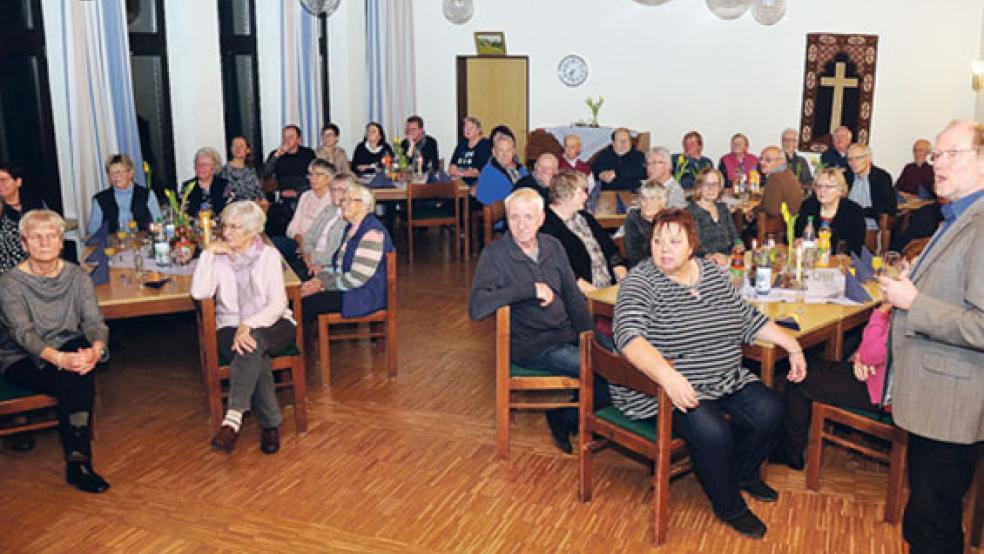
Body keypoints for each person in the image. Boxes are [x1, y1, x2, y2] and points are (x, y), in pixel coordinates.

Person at [613, 208, 806, 539]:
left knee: (771, 410)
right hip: (670, 386)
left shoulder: (712, 274)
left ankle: (741, 474)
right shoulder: (641, 282)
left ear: (692, 245)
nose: (664, 248)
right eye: (658, 241)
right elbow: (629, 337)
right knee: (714, 433)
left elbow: (745, 317)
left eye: (674, 241)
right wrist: (668, 376)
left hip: (724, 377)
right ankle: (728, 503)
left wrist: (792, 345)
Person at [877, 120, 984, 554]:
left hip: (952, 404)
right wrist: (915, 280)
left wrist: (913, 301)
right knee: (922, 515)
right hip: (931, 396)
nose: (938, 164)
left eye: (950, 155)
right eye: (937, 155)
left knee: (935, 521)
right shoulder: (956, 214)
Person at [468, 188, 593, 454]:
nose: (521, 225)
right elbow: (477, 308)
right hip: (535, 345)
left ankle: (567, 416)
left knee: (623, 359)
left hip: (568, 333)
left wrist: (588, 336)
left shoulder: (552, 245)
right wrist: (529, 288)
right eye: (514, 218)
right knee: (607, 370)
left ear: (541, 219)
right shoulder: (495, 255)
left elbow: (572, 295)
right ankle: (574, 419)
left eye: (528, 217)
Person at [0, 209, 110, 493]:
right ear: (24, 244)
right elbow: (22, 334)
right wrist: (61, 359)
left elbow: (94, 322)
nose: (44, 243)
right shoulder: (10, 283)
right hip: (22, 357)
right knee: (74, 376)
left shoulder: (78, 277)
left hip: (68, 347)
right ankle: (79, 462)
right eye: (36, 238)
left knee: (79, 364)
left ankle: (78, 461)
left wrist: (96, 350)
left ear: (62, 242)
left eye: (51, 236)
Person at [190, 201, 297, 455]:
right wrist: (207, 254)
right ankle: (270, 425)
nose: (226, 233)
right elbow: (199, 292)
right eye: (225, 226)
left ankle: (233, 418)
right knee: (252, 349)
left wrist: (248, 324)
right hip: (230, 324)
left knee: (253, 341)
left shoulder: (269, 255)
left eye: (235, 227)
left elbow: (278, 303)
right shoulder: (218, 257)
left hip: (274, 322)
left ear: (252, 231)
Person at [774, 304, 891, 471]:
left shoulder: (907, 313)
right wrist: (861, 358)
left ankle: (790, 452)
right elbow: (874, 350)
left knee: (799, 380)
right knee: (809, 365)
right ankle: (789, 441)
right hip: (877, 376)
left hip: (881, 392)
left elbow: (873, 350)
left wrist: (882, 310)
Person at [299, 182, 394, 323]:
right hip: (349, 288)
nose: (343, 204)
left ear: (366, 206)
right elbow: (337, 265)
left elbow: (357, 279)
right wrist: (319, 280)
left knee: (306, 303)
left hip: (364, 296)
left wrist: (323, 286)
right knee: (299, 294)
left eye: (351, 200)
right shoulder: (351, 228)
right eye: (344, 200)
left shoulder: (372, 233)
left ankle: (299, 343)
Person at [539, 171, 627, 295]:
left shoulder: (585, 217)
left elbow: (608, 246)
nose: (586, 197)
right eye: (581, 192)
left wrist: (618, 267)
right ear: (566, 195)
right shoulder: (547, 227)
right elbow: (563, 272)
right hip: (580, 294)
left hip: (607, 284)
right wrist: (597, 295)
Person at [273, 159, 338, 279]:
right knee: (273, 245)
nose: (312, 178)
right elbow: (292, 227)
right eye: (311, 174)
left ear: (329, 178)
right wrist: (300, 241)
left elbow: (325, 234)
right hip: (298, 241)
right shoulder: (306, 195)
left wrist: (306, 248)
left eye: (318, 175)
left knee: (299, 270)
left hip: (316, 247)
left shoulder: (332, 200)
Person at [793, 168, 866, 255]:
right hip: (810, 259)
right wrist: (797, 241)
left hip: (840, 263)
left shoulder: (854, 211)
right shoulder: (808, 206)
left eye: (828, 187)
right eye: (818, 186)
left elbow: (855, 247)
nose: (822, 190)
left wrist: (820, 245)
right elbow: (794, 234)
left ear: (840, 190)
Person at [87, 153, 162, 235]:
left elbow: (159, 222)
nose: (115, 177)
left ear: (130, 173)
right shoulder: (100, 200)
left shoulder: (147, 195)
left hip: (143, 244)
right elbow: (93, 230)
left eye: (118, 172)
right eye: (111, 173)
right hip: (114, 245)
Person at [301, 172, 353, 279]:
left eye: (340, 189)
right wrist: (308, 256)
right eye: (333, 189)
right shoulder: (328, 210)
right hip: (311, 259)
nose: (334, 193)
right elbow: (309, 236)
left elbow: (340, 254)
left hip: (331, 267)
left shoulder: (351, 218)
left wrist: (313, 258)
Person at [0, 164, 46, 273]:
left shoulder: (36, 204)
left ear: (18, 182)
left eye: (4, 180)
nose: (0, 184)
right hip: (9, 269)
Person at [686, 168, 738, 259]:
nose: (711, 188)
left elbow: (734, 236)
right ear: (699, 187)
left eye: (715, 184)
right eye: (706, 184)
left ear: (720, 188)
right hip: (704, 262)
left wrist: (738, 245)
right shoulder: (690, 212)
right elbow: (693, 246)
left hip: (727, 259)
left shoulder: (723, 209)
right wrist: (709, 256)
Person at [846, 143, 897, 231]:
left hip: (870, 225)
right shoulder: (847, 176)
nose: (853, 163)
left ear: (868, 158)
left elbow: (889, 208)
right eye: (850, 159)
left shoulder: (881, 178)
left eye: (857, 158)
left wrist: (861, 211)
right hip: (847, 222)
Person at [261, 124, 317, 200]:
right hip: (282, 194)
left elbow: (314, 176)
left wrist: (297, 192)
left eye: (290, 137)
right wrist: (276, 156)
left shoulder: (308, 153)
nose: (286, 140)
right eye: (284, 137)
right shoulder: (275, 154)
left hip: (303, 193)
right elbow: (265, 173)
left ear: (299, 139)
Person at [623, 179, 668, 268]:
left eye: (652, 198)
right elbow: (634, 255)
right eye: (644, 198)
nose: (647, 203)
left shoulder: (669, 219)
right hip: (641, 269)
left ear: (662, 202)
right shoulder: (633, 219)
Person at [475, 134, 528, 205]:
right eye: (501, 150)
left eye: (508, 150)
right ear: (494, 152)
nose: (505, 155)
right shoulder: (488, 172)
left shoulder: (521, 168)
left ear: (513, 151)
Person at [591, 128, 646, 192]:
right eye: (620, 140)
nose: (624, 143)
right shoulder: (604, 155)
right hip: (607, 192)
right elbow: (594, 170)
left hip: (632, 192)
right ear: (613, 142)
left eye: (626, 140)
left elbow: (643, 173)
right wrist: (601, 175)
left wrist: (616, 173)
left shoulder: (639, 156)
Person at [180, 147, 229, 218]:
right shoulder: (187, 186)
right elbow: (182, 212)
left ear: (214, 168)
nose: (200, 167)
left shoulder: (225, 186)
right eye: (198, 164)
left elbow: (231, 211)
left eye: (205, 164)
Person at [758, 146, 803, 218]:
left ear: (781, 161)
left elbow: (771, 210)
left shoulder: (775, 179)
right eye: (761, 159)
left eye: (768, 160)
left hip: (780, 225)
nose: (762, 162)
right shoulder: (788, 173)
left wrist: (754, 212)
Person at [219, 135, 265, 203]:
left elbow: (258, 190)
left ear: (248, 150)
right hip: (237, 207)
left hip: (254, 206)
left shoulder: (251, 170)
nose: (238, 149)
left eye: (241, 146)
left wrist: (262, 200)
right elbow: (229, 195)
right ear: (231, 149)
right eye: (235, 146)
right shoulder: (225, 170)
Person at [448, 116, 492, 186]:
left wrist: (459, 173)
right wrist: (459, 173)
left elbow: (477, 172)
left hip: (476, 183)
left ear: (478, 130)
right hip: (458, 181)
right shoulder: (462, 144)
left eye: (471, 128)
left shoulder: (485, 145)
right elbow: (452, 168)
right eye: (465, 127)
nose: (467, 130)